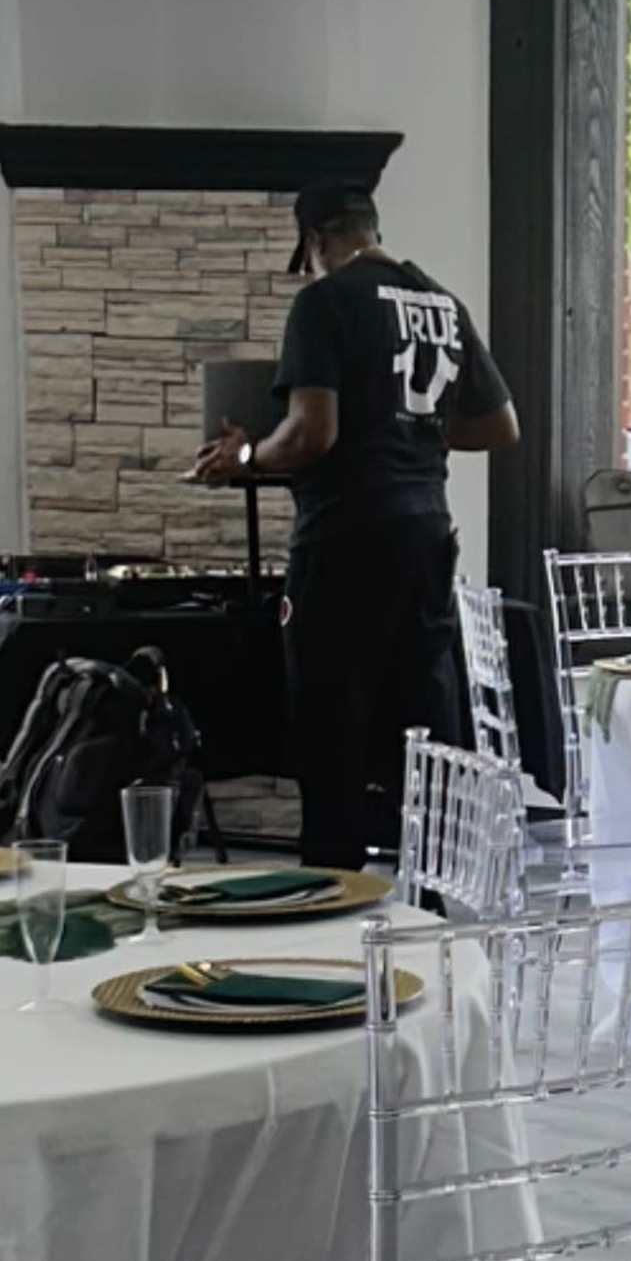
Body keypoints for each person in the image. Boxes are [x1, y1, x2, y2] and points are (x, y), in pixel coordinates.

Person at [194, 184, 519, 868]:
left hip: (345, 541)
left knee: (330, 738)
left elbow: (311, 434)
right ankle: (430, 895)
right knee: (423, 731)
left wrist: (246, 457)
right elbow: (499, 425)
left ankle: (331, 899)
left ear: (315, 241)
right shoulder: (440, 303)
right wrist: (410, 432)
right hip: (427, 537)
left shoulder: (324, 302)